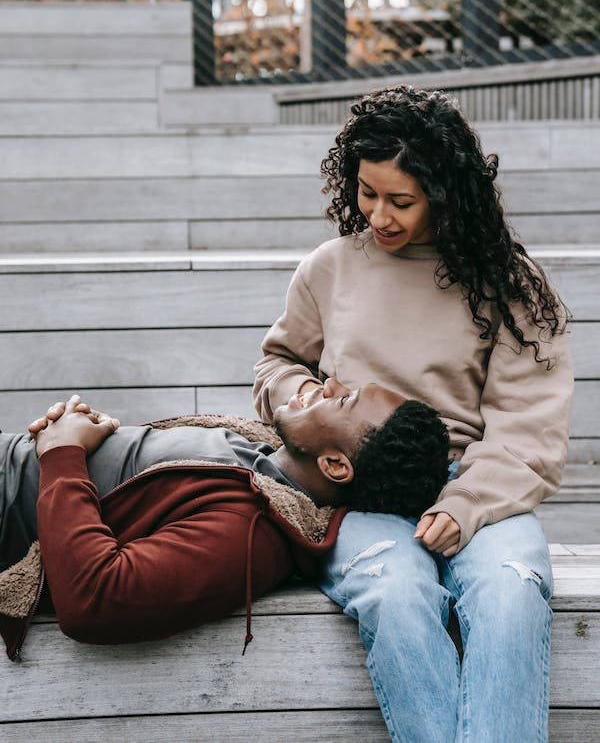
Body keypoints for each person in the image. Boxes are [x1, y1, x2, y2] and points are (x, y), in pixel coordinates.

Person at [253, 85, 573, 743]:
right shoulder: (330, 269)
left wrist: (465, 505)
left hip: (475, 487)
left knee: (511, 590)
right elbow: (279, 361)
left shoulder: (508, 286)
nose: (377, 215)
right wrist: (295, 401)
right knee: (395, 595)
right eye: (367, 192)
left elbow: (528, 427)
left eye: (401, 200)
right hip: (360, 491)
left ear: (446, 193)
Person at [0, 383, 449, 662]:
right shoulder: (260, 452)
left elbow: (97, 599)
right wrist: (85, 432)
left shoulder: (249, 532)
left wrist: (62, 455)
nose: (328, 383)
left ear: (335, 465)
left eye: (344, 400)